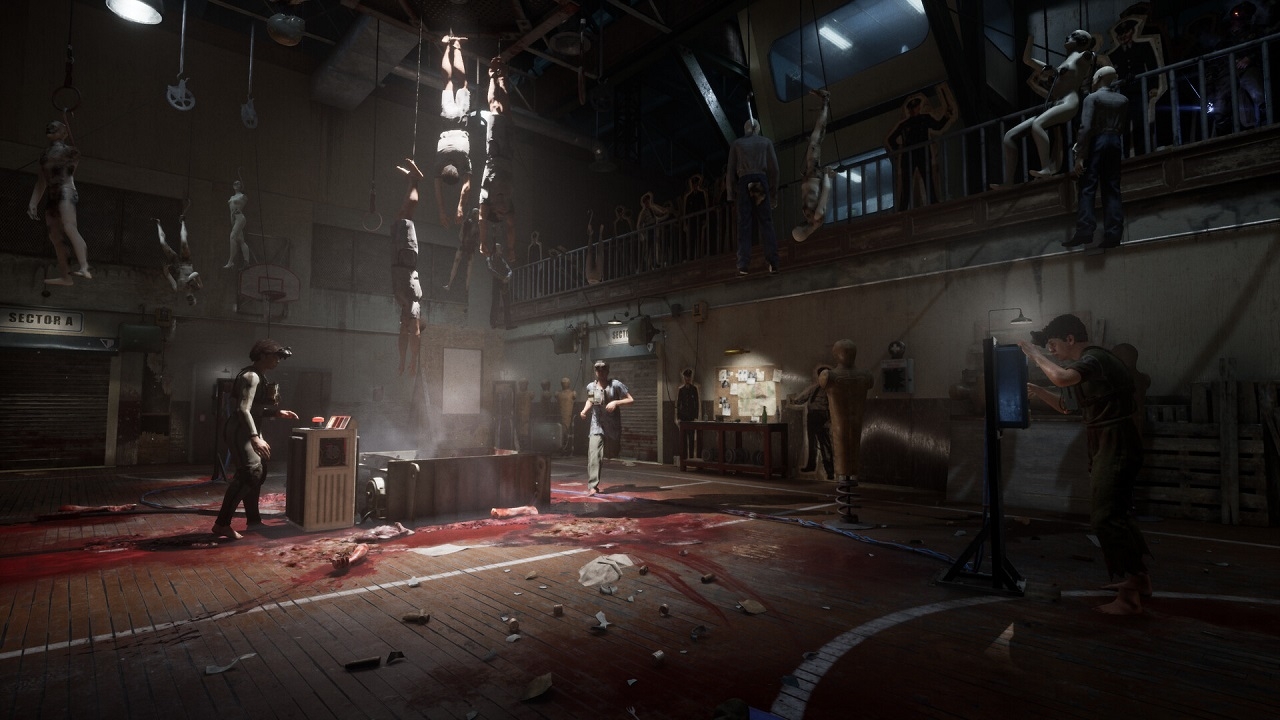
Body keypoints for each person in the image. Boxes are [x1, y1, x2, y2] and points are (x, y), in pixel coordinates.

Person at [1019, 313, 1152, 615]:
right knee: (1117, 513)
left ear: (1070, 339)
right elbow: (1066, 405)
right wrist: (1038, 390)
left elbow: (1061, 378)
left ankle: (1129, 599)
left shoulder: (1095, 359)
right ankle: (1139, 580)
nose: (1051, 350)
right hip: (1104, 440)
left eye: (1053, 344)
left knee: (1106, 517)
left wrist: (1035, 355)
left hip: (1116, 440)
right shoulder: (1083, 367)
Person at [213, 339, 299, 539]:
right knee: (251, 472)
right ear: (262, 356)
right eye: (275, 356)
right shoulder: (251, 376)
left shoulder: (260, 376)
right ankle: (222, 524)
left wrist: (276, 413)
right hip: (241, 430)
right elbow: (243, 409)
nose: (277, 360)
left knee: (258, 473)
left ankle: (253, 521)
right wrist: (254, 437)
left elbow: (255, 409)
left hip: (248, 430)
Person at [992, 30, 1097, 186]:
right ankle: (1008, 182)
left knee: (1037, 125)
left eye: (1074, 36)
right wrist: (1030, 37)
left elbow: (1091, 56)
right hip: (1055, 104)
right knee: (1009, 136)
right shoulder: (1064, 64)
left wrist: (1088, 49)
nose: (1068, 36)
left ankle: (1046, 169)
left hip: (1069, 102)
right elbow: (1027, 60)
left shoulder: (1083, 57)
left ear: (1082, 42)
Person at [1065, 66, 1129, 249]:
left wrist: (1079, 155)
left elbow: (1085, 128)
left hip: (1097, 141)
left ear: (1099, 77)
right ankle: (1114, 233)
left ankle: (1085, 230)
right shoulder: (1123, 100)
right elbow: (1124, 125)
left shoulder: (1092, 98)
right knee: (1112, 187)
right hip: (1115, 141)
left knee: (1087, 186)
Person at [27, 119, 91, 286]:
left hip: (66, 191)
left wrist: (70, 150)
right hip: (52, 196)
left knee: (69, 226)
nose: (51, 128)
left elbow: (72, 165)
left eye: (56, 127)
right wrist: (33, 202)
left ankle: (84, 266)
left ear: (64, 133)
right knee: (55, 236)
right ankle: (66, 276)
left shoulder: (71, 152)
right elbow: (41, 180)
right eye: (49, 127)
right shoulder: (44, 155)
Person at [821, 340, 873, 521]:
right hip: (855, 425)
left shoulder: (829, 376)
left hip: (839, 426)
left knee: (843, 456)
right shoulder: (865, 375)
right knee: (851, 454)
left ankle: (845, 492)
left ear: (835, 354)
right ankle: (848, 485)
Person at [478, 56, 517, 282]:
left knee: (495, 107)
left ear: (492, 208)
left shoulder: (486, 199)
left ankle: (492, 75)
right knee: (507, 111)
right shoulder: (508, 206)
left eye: (499, 213)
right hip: (509, 154)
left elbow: (482, 219)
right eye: (503, 214)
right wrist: (510, 249)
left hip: (494, 152)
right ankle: (503, 77)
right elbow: (511, 227)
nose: (503, 211)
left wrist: (483, 242)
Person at [885, 87, 955, 211]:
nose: (914, 110)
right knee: (906, 185)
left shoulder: (924, 118)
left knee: (928, 180)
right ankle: (903, 209)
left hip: (922, 154)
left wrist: (946, 117)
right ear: (909, 110)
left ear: (918, 107)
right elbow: (891, 140)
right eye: (912, 108)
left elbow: (938, 126)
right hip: (909, 156)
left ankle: (933, 203)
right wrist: (899, 148)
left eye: (915, 107)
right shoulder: (905, 124)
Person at [1103, 17, 1164, 156]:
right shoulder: (1114, 55)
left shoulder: (1143, 47)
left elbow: (1152, 66)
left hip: (1139, 92)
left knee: (1139, 123)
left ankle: (1142, 154)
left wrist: (1153, 87)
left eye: (1126, 32)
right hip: (1122, 94)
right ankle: (1125, 155)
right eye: (1121, 34)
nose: (1123, 36)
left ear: (1132, 31)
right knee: (1123, 127)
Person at [726, 117, 780, 275]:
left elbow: (730, 171)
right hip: (760, 180)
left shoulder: (737, 144)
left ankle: (743, 264)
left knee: (744, 223)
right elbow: (775, 170)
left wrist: (730, 193)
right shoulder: (765, 142)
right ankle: (773, 261)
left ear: (745, 129)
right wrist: (773, 192)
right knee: (766, 222)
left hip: (744, 181)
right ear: (757, 128)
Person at [433, 35, 473, 229]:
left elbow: (467, 187)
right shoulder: (438, 163)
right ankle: (447, 47)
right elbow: (437, 190)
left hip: (460, 122)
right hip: (447, 120)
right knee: (447, 83)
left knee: (462, 83)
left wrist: (460, 207)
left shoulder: (464, 161)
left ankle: (456, 45)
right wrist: (441, 211)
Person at [578, 360, 634, 495]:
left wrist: (616, 402)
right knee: (594, 454)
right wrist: (584, 411)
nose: (600, 372)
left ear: (607, 371)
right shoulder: (591, 386)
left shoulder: (615, 385)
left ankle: (612, 450)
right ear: (595, 372)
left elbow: (630, 400)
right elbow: (591, 400)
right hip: (597, 424)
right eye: (598, 369)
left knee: (612, 451)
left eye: (603, 369)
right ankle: (593, 485)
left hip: (612, 426)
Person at [392, 158, 426, 375]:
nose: (403, 326)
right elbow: (414, 334)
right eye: (406, 325)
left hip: (398, 258)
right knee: (406, 216)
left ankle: (412, 181)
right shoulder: (413, 305)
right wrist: (412, 360)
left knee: (401, 217)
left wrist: (402, 361)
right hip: (405, 258)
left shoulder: (404, 307)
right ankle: (416, 180)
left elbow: (403, 337)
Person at [793, 90, 838, 242]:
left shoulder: (810, 217)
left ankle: (824, 104)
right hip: (814, 175)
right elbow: (826, 191)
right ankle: (825, 101)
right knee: (815, 139)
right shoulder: (817, 216)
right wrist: (826, 175)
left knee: (815, 139)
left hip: (810, 175)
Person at [791, 364, 835, 478]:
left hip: (822, 416)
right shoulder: (814, 388)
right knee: (812, 442)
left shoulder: (831, 390)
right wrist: (794, 401)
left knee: (824, 444)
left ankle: (830, 470)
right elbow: (803, 398)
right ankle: (811, 465)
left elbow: (833, 406)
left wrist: (829, 420)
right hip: (812, 416)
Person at [156, 217, 203, 306]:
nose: (190, 299)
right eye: (192, 299)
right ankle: (183, 222)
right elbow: (196, 273)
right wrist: (189, 279)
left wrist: (165, 269)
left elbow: (168, 276)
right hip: (187, 262)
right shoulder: (196, 287)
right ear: (194, 297)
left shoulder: (178, 288)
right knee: (184, 241)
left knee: (162, 243)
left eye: (189, 301)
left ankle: (158, 224)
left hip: (176, 263)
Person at [225, 179, 253, 269]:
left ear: (241, 186)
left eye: (238, 184)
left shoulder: (242, 196)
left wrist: (238, 209)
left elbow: (244, 201)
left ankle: (230, 261)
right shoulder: (232, 197)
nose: (236, 185)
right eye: (235, 183)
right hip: (233, 220)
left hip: (239, 218)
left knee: (232, 236)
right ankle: (246, 261)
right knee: (241, 240)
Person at [676, 368, 700, 461]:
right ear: (684, 378)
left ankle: (691, 458)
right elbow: (679, 404)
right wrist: (678, 417)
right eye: (686, 377)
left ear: (690, 378)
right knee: (684, 439)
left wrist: (696, 416)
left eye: (689, 377)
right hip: (683, 417)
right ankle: (685, 458)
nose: (687, 379)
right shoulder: (681, 390)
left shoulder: (694, 389)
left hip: (691, 417)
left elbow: (696, 403)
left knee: (691, 438)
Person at [556, 377, 577, 454]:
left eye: (566, 383)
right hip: (560, 415)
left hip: (569, 415)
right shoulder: (558, 393)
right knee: (561, 431)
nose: (565, 384)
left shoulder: (573, 393)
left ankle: (567, 448)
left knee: (568, 431)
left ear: (569, 384)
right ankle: (561, 447)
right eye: (563, 383)